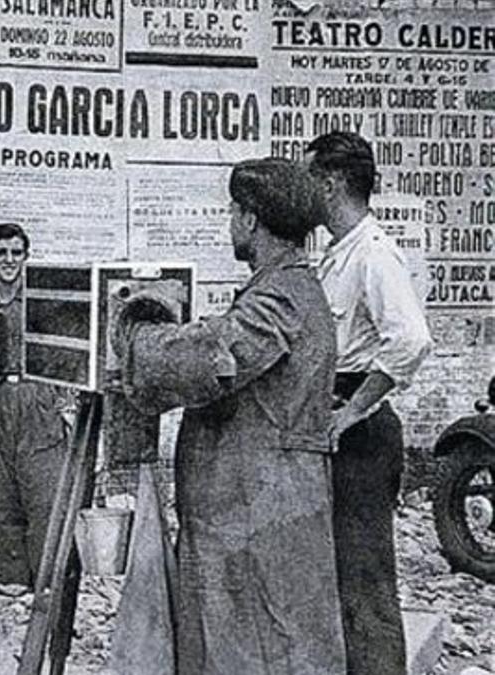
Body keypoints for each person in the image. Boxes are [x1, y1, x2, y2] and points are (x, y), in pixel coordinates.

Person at [116, 158, 346, 673]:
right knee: (238, 642)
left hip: (262, 515)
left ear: (251, 219)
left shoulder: (283, 296)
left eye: (233, 212)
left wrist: (133, 330)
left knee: (267, 645)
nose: (230, 222)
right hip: (248, 509)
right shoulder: (281, 289)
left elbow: (211, 358)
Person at [306, 131, 433, 675]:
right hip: (336, 429)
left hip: (359, 435)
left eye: (307, 178)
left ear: (331, 184)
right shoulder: (339, 253)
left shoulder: (375, 253)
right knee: (335, 577)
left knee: (365, 580)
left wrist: (353, 410)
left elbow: (410, 340)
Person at [0, 223, 69, 588]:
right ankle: (8, 580)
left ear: (26, 256)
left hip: (37, 398)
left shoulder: (43, 305)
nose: (8, 261)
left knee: (44, 493)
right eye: (0, 253)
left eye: (16, 253)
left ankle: (47, 582)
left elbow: (63, 360)